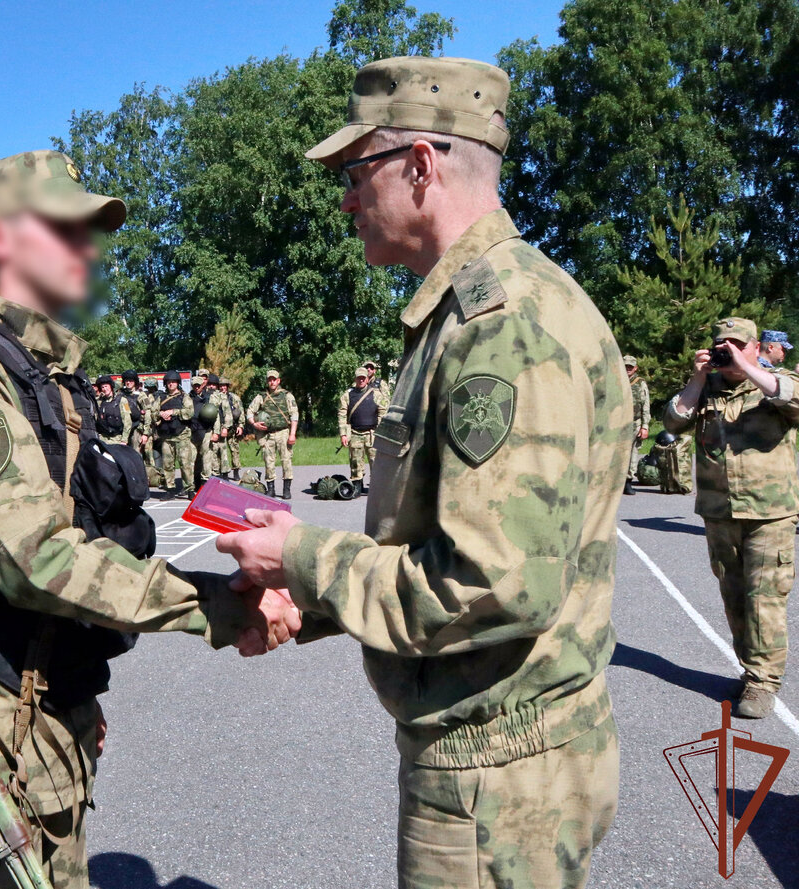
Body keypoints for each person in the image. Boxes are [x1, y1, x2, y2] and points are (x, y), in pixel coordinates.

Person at [217, 56, 628, 889]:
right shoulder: (495, 306)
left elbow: (494, 582)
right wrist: (315, 599)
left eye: (355, 171)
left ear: (420, 165)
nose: (344, 197)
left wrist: (303, 557)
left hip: (494, 780)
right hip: (520, 762)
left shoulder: (499, 326)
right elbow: (446, 545)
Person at [0, 150, 296, 889]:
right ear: (3, 241)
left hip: (40, 727)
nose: (88, 249)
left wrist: (73, 685)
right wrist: (220, 606)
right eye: (65, 229)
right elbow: (39, 557)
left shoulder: (41, 376)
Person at [664, 317, 799, 719]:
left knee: (765, 600)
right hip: (721, 512)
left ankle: (762, 683)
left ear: (757, 347)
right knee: (735, 597)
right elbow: (673, 421)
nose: (730, 351)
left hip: (769, 512)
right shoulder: (705, 389)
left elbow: (790, 397)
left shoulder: (776, 382)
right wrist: (697, 378)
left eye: (738, 344)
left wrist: (748, 366)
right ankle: (749, 668)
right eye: (723, 345)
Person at [246, 369, 298, 499]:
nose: (272, 382)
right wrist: (254, 424)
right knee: (268, 462)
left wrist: (292, 434)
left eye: (274, 379)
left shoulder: (287, 396)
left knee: (286, 461)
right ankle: (271, 488)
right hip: (267, 435)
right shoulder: (261, 397)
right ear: (267, 381)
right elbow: (250, 411)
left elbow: (294, 415)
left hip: (283, 433)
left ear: (278, 380)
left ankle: (286, 489)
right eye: (269, 379)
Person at [337, 367, 384, 497]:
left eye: (364, 378)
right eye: (359, 378)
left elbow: (382, 412)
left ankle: (377, 489)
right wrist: (343, 434)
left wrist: (381, 431)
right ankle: (357, 487)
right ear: (355, 379)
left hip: (372, 434)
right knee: (355, 463)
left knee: (376, 463)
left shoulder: (376, 394)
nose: (361, 380)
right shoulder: (347, 395)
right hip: (355, 433)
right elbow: (342, 414)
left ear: (367, 379)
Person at [153, 370, 195, 498]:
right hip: (167, 435)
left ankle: (189, 489)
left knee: (185, 462)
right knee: (167, 464)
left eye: (173, 382)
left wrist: (173, 412)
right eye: (169, 382)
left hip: (181, 434)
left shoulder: (184, 397)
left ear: (178, 383)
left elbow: (189, 412)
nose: (171, 384)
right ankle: (170, 489)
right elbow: (153, 413)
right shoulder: (161, 398)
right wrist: (160, 414)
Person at [624, 355, 650, 495]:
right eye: (625, 366)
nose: (627, 369)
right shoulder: (615, 381)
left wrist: (645, 426)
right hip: (617, 423)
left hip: (635, 422)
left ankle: (628, 481)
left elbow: (645, 405)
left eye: (630, 366)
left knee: (632, 452)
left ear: (635, 368)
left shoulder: (640, 383)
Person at [93, 375, 131, 445]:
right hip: (102, 438)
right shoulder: (98, 402)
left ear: (111, 386)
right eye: (102, 387)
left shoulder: (123, 401)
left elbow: (128, 421)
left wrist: (124, 440)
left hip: (117, 438)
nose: (105, 389)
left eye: (106, 386)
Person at [218, 377, 244, 481]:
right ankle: (223, 472)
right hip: (221, 428)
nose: (223, 388)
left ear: (228, 387)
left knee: (235, 450)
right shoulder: (216, 397)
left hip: (233, 428)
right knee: (221, 452)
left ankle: (236, 471)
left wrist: (241, 426)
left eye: (225, 385)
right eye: (221, 386)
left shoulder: (234, 398)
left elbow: (241, 412)